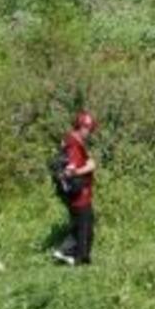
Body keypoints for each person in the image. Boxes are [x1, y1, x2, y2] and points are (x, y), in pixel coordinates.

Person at [52, 111, 98, 266]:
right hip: (79, 193)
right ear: (81, 126)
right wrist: (89, 167)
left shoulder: (69, 139)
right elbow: (70, 170)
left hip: (75, 192)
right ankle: (74, 256)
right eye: (89, 129)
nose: (90, 133)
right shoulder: (73, 144)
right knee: (84, 226)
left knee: (82, 224)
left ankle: (73, 255)